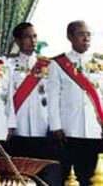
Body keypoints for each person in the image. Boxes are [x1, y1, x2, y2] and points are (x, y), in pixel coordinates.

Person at [48, 21, 103, 186]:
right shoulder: (58, 63)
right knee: (70, 176)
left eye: (88, 34)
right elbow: (53, 97)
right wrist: (56, 126)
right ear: (70, 37)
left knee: (95, 176)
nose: (86, 38)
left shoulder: (99, 62)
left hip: (96, 129)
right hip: (70, 129)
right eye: (81, 34)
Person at [7, 22, 60, 185]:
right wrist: (9, 124)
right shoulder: (8, 65)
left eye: (35, 36)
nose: (33, 40)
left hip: (42, 126)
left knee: (43, 174)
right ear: (17, 41)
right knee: (18, 175)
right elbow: (6, 97)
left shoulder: (48, 66)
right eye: (28, 37)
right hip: (19, 127)